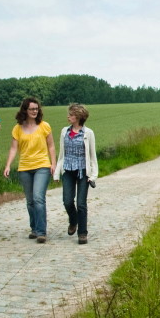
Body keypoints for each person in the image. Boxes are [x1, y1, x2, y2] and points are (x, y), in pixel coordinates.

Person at [3, 97, 56, 243]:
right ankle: (34, 228)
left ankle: (41, 232)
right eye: (31, 109)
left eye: (36, 109)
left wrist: (53, 163)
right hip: (24, 167)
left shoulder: (45, 126)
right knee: (30, 201)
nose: (34, 111)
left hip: (42, 166)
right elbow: (14, 148)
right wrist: (8, 165)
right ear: (25, 110)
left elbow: (51, 145)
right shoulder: (17, 128)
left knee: (38, 198)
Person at [52, 103, 99, 244]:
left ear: (78, 117)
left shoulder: (88, 133)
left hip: (83, 172)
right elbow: (62, 154)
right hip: (68, 170)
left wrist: (93, 175)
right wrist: (56, 173)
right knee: (67, 201)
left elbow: (92, 156)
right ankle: (73, 221)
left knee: (81, 203)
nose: (68, 116)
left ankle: (82, 233)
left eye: (71, 115)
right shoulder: (64, 131)